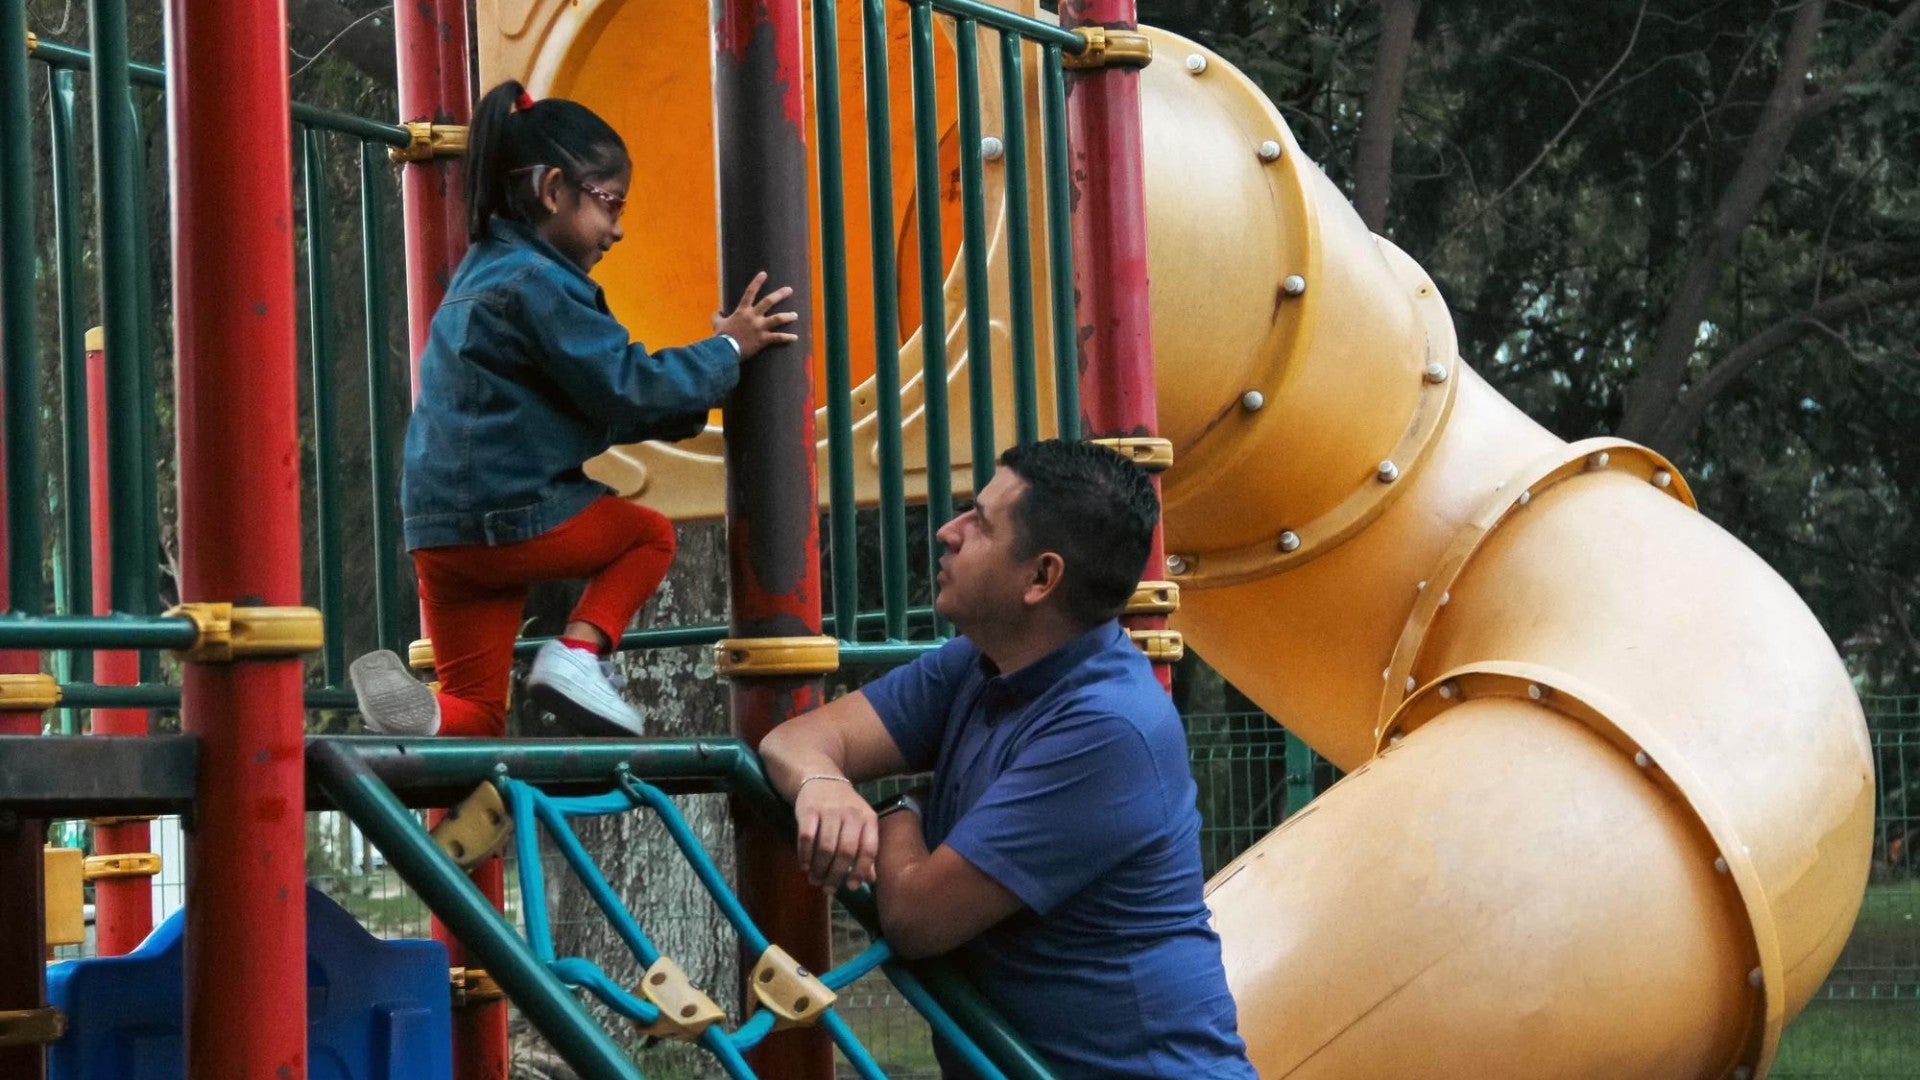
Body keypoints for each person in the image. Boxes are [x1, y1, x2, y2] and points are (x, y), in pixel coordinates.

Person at [759, 438, 1257, 1078]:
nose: (949, 532)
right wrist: (824, 784)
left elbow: (916, 917)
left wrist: (898, 812)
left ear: (1041, 578)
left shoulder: (1108, 728)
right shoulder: (981, 661)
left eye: (981, 523)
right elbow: (793, 742)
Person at [351, 80, 798, 738]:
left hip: (441, 534)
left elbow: (598, 405)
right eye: (609, 205)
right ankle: (579, 653)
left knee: (474, 715)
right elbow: (626, 386)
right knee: (648, 536)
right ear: (554, 191)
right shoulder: (541, 284)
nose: (617, 230)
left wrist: (693, 397)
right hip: (508, 516)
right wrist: (729, 348)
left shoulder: (478, 275)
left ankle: (426, 719)